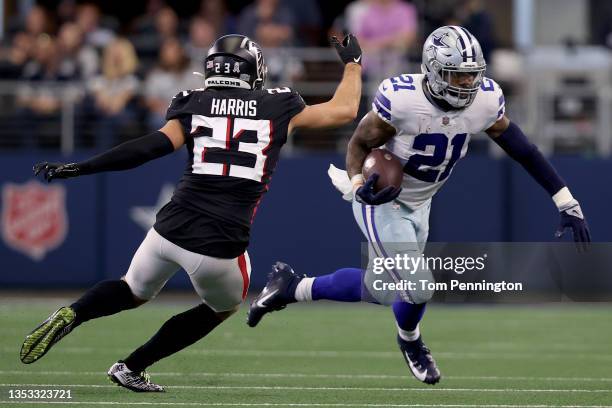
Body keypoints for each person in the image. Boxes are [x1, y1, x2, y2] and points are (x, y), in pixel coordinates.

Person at [247, 26, 592, 385]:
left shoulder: (486, 100)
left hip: (422, 202)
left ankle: (290, 287)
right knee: (418, 286)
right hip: (383, 200)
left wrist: (565, 200)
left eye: (471, 75)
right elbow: (358, 145)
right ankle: (410, 341)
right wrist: (357, 184)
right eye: (457, 74)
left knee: (381, 289)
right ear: (433, 69)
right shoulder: (402, 99)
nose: (465, 83)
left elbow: (523, 149)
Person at [20, 33, 363, 392]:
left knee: (130, 290)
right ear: (253, 71)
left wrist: (82, 167)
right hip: (219, 244)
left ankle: (75, 312)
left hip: (168, 229)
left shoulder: (192, 102)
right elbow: (345, 109)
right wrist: (353, 64)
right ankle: (131, 366)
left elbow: (146, 148)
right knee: (224, 306)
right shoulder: (280, 105)